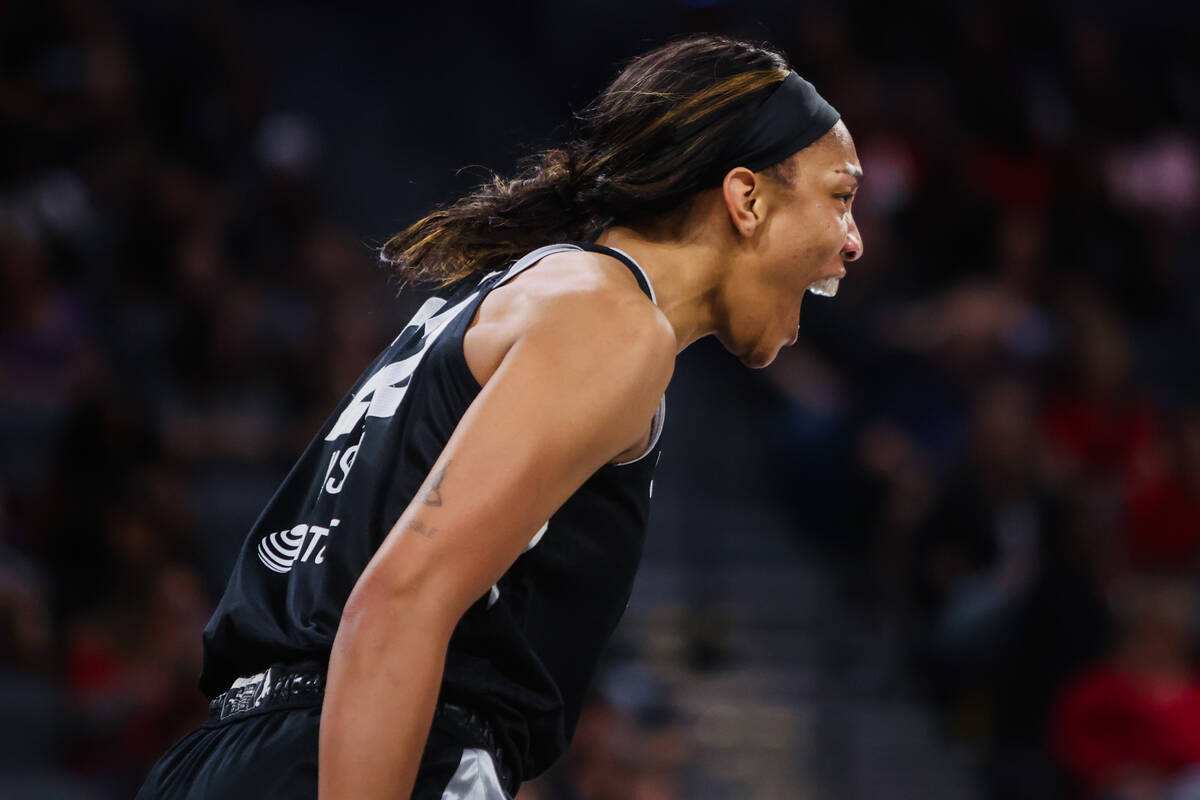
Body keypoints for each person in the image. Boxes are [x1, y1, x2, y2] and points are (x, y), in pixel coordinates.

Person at [135, 33, 863, 800]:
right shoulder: (613, 320)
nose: (853, 242)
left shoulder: (527, 294)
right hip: (344, 752)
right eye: (841, 197)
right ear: (746, 198)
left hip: (235, 756)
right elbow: (397, 604)